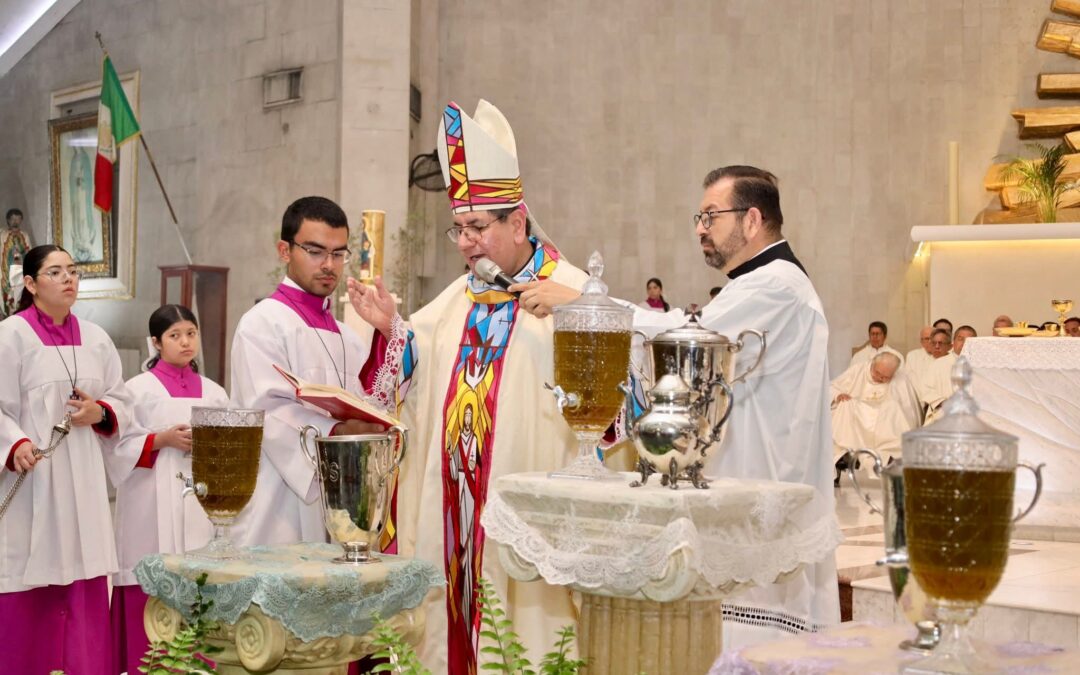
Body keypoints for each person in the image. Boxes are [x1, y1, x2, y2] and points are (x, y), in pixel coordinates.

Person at [513, 164, 841, 648]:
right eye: (699, 216)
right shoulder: (763, 282)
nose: (699, 229)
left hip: (762, 489)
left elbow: (682, 340)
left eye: (711, 216)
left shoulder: (776, 285)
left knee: (750, 646)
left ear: (752, 220)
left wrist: (585, 301)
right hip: (752, 480)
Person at [348, 100, 588, 673]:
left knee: (522, 636)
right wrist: (390, 328)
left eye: (478, 227)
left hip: (520, 515)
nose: (466, 243)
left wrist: (578, 316)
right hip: (451, 508)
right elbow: (416, 365)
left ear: (518, 223)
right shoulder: (457, 296)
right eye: (458, 229)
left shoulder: (571, 293)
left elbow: (612, 400)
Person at [0, 245, 132, 675]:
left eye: (73, 271)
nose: (68, 279)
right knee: (26, 572)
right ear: (32, 284)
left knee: (85, 571)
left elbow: (122, 398)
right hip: (32, 479)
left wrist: (102, 413)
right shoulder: (11, 336)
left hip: (84, 479)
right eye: (55, 272)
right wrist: (13, 443)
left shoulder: (97, 338)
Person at [230, 196, 379, 547]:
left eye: (339, 254)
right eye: (315, 251)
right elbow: (266, 413)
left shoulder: (348, 336)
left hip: (339, 497)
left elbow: (371, 398)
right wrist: (338, 431)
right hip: (277, 497)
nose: (329, 264)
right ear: (285, 250)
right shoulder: (263, 323)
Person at [104, 304, 229, 675]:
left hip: (199, 497)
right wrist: (161, 439)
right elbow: (115, 446)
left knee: (201, 575)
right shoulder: (135, 391)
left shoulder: (215, 392)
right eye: (175, 335)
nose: (185, 342)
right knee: (151, 574)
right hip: (149, 501)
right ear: (156, 342)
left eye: (191, 333)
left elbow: (230, 448)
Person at [830, 353, 920, 470]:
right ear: (872, 364)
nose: (880, 378)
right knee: (845, 404)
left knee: (893, 408)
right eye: (877, 373)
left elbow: (909, 410)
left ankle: (887, 456)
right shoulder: (858, 370)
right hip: (857, 414)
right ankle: (848, 453)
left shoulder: (901, 379)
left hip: (884, 418)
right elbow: (832, 386)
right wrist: (838, 395)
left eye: (885, 377)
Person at [915, 328, 957, 422]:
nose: (937, 346)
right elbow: (924, 388)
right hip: (931, 407)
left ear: (950, 346)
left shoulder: (954, 363)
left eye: (941, 343)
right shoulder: (923, 362)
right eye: (934, 343)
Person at [1, 208, 32, 318]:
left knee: (21, 297)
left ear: (21, 220)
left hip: (21, 271)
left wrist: (21, 251)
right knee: (9, 299)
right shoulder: (3, 235)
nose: (15, 222)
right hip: (7, 272)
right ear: (8, 220)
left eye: (18, 219)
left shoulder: (25, 235)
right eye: (13, 219)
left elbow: (29, 254)